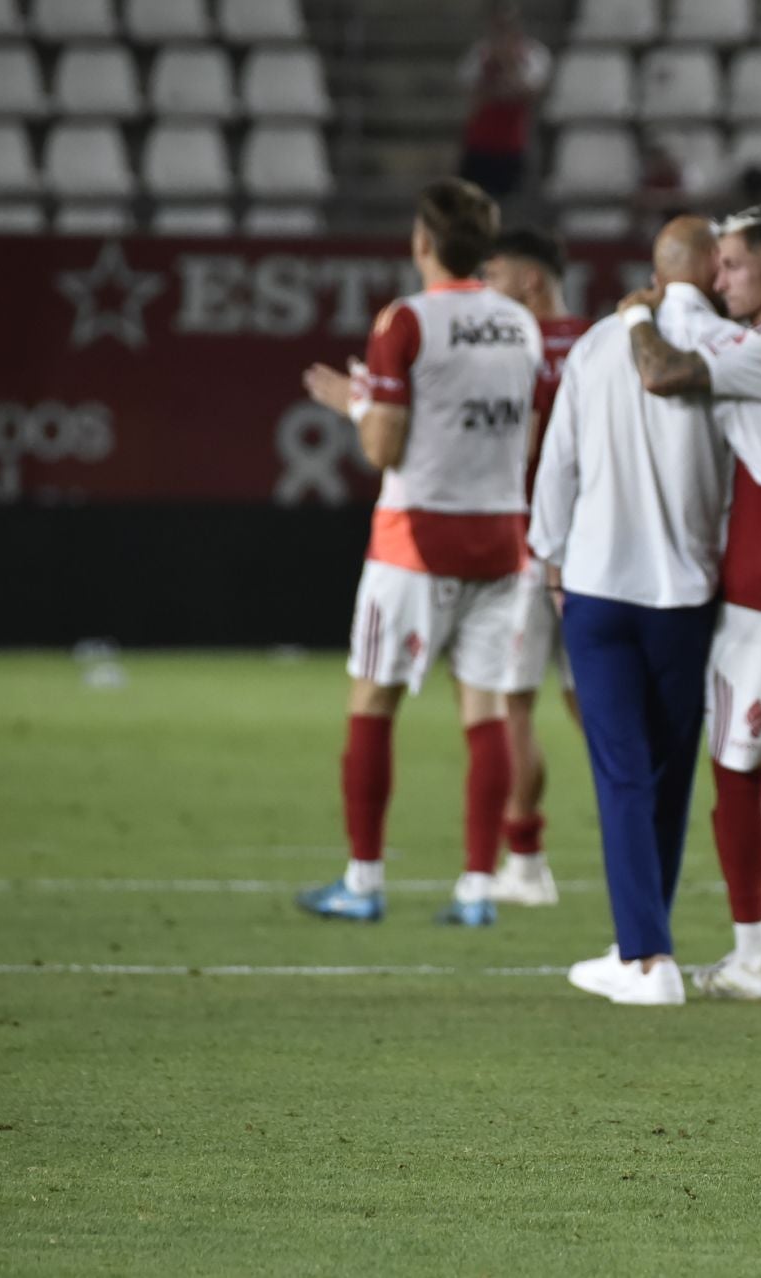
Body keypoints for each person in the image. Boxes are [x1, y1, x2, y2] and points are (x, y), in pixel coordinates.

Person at [618, 204, 761, 1001]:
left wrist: (648, 312)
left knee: (736, 771)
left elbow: (674, 374)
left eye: (732, 266)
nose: (718, 280)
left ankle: (753, 955)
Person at [294, 178, 542, 928]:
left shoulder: (404, 321)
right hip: (501, 538)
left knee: (373, 700)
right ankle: (475, 891)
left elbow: (384, 447)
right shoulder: (519, 324)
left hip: (415, 544)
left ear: (422, 243)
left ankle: (363, 882)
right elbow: (520, 433)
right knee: (486, 712)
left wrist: (357, 401)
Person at [528, 216, 736, 1006]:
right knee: (669, 770)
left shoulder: (593, 347)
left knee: (620, 772)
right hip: (685, 594)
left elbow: (560, 465)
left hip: (597, 588)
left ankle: (646, 959)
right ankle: (642, 944)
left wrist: (551, 562)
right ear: (715, 268)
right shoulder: (726, 349)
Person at [477, 227, 590, 907]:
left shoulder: (507, 349)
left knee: (511, 703)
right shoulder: (601, 343)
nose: (486, 291)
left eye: (493, 277)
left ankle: (525, 863)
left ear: (528, 282)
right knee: (590, 701)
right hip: (594, 550)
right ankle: (640, 828)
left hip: (524, 546)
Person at [457, 2, 551, 198]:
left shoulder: (534, 55)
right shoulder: (478, 54)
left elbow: (530, 94)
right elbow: (473, 95)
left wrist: (508, 65)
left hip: (514, 143)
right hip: (480, 142)